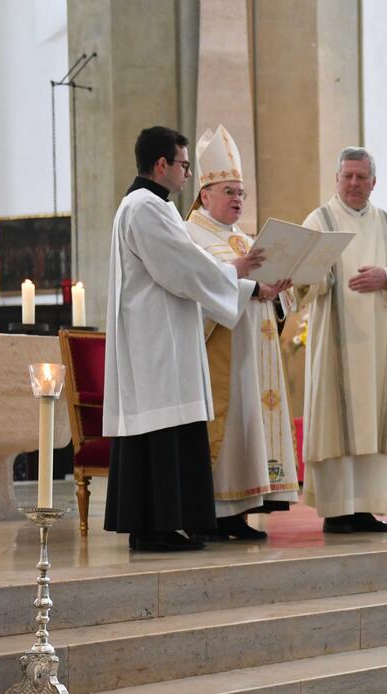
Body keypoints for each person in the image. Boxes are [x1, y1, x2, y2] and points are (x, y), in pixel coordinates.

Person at [104, 126, 263, 552]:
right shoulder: (145, 208)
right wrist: (236, 271)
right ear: (162, 165)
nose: (187, 174)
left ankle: (159, 525)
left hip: (161, 335)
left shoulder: (147, 206)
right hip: (157, 342)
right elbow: (181, 266)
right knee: (162, 428)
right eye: (184, 165)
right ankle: (155, 527)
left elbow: (183, 265)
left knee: (164, 430)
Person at [295, 147, 387, 533]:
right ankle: (338, 510)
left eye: (361, 177)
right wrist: (323, 276)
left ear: (374, 182)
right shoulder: (319, 221)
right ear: (337, 179)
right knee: (336, 418)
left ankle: (367, 507)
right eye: (347, 176)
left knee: (372, 420)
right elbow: (302, 277)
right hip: (335, 343)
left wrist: (386, 277)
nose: (354, 183)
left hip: (377, 349)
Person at [185, 125, 297, 541]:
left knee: (250, 431)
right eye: (229, 192)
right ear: (205, 193)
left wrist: (280, 292)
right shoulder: (190, 235)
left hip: (255, 356)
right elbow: (197, 289)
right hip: (222, 356)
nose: (237, 200)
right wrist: (253, 287)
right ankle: (213, 513)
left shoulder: (243, 239)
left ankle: (240, 512)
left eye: (241, 193)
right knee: (228, 433)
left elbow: (263, 291)